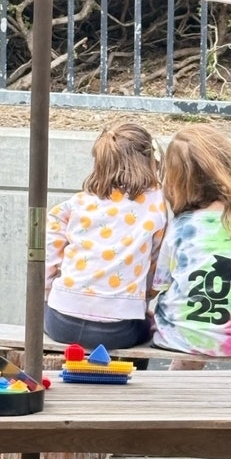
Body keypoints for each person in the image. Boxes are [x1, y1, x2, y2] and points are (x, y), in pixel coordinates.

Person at [151, 124, 231, 368]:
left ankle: (175, 396)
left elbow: (162, 283)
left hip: (179, 336)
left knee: (186, 319)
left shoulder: (180, 227)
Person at [44, 122, 167, 369]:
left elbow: (50, 239)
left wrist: (48, 291)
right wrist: (140, 303)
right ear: (149, 160)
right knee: (147, 328)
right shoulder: (156, 204)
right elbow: (156, 267)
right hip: (117, 330)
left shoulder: (78, 202)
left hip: (59, 320)